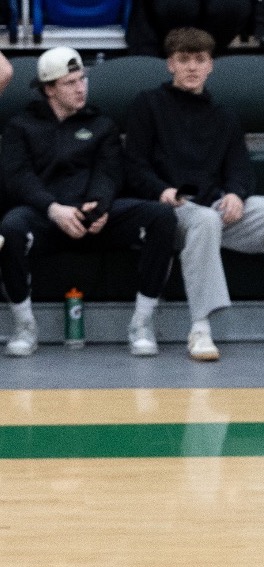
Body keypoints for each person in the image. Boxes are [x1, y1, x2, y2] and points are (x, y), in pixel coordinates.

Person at [123, 27, 264, 362]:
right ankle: (200, 329)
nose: (192, 68)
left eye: (200, 60)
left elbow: (240, 168)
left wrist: (237, 195)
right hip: (171, 212)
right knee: (204, 220)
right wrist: (162, 190)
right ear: (170, 64)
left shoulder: (223, 115)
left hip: (216, 207)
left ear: (211, 65)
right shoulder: (148, 105)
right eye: (183, 60)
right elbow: (135, 164)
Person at [2, 47, 177, 358]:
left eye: (82, 79)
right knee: (11, 227)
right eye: (70, 82)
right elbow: (19, 178)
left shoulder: (101, 124)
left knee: (161, 217)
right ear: (49, 89)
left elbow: (109, 173)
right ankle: (24, 325)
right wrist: (53, 209)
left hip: (94, 218)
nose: (80, 87)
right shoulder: (21, 126)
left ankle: (142, 322)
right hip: (47, 216)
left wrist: (99, 207)